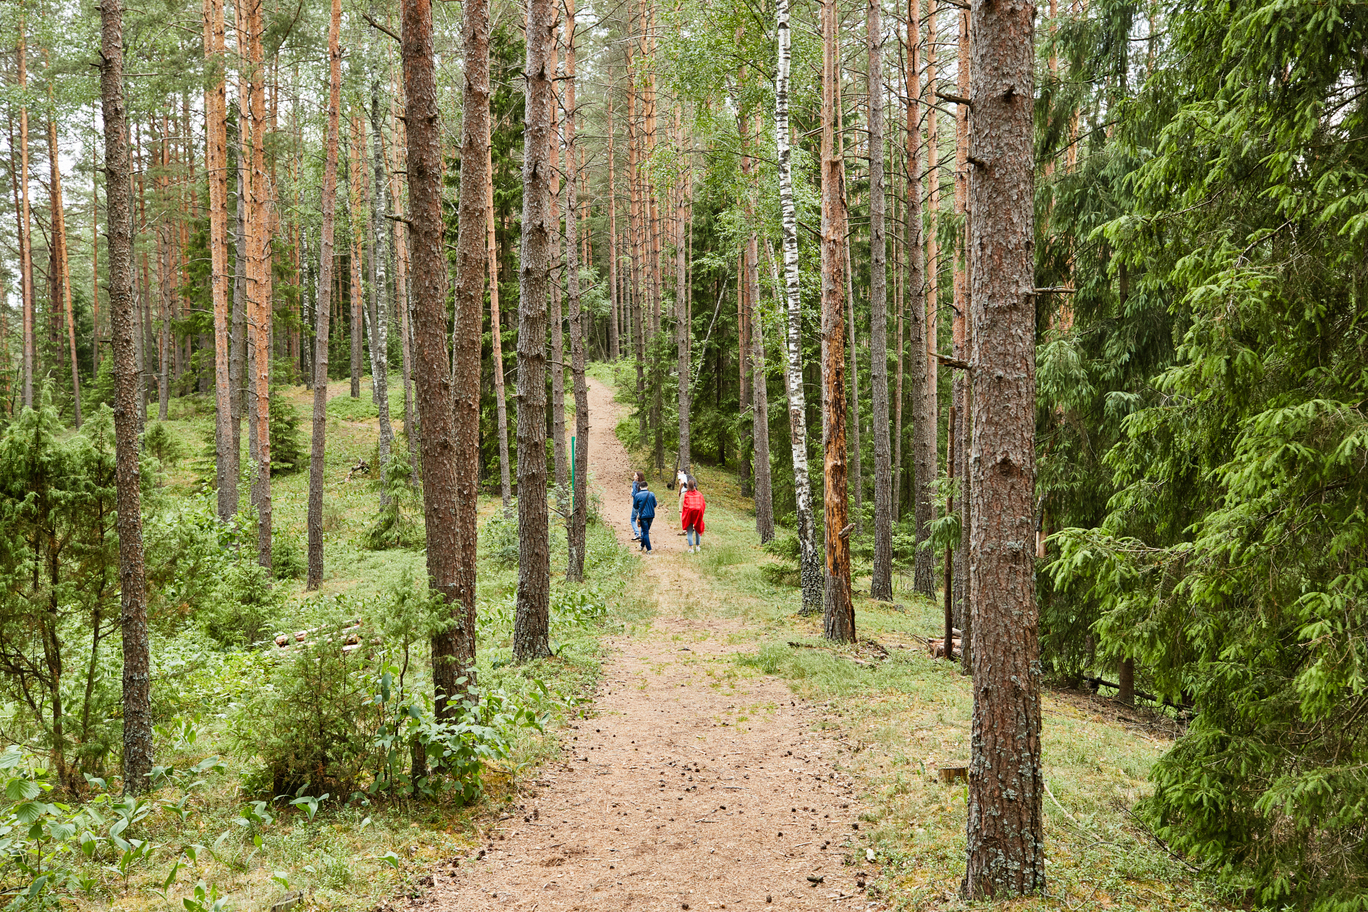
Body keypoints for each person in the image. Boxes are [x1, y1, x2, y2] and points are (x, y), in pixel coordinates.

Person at [681, 479, 706, 553]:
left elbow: (685, 506)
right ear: (695, 486)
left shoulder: (686, 495)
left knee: (689, 531)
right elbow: (703, 504)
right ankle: (698, 547)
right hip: (698, 513)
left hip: (689, 514)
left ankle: (691, 549)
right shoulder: (699, 494)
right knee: (697, 529)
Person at [633, 480, 658, 553]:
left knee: (645, 532)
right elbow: (655, 504)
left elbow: (635, 506)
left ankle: (649, 549)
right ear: (647, 486)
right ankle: (641, 545)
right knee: (646, 531)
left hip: (643, 516)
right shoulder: (651, 494)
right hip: (651, 515)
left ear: (640, 487)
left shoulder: (637, 495)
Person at [630, 471, 645, 541]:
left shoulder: (635, 483)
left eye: (635, 475)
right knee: (641, 519)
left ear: (638, 477)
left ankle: (637, 534)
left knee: (633, 519)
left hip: (636, 504)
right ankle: (642, 535)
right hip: (643, 504)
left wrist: (631, 492)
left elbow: (634, 494)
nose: (634, 476)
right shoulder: (643, 484)